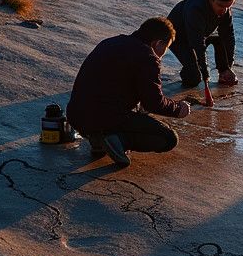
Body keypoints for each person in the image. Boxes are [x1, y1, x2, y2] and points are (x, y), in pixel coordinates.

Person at [67, 17, 192, 166]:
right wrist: (178, 109)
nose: (162, 55)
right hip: (105, 116)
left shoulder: (110, 42)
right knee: (169, 138)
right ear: (157, 43)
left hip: (76, 116)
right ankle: (120, 140)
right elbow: (154, 103)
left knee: (131, 114)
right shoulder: (147, 57)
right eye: (165, 49)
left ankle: (99, 138)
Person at [168, 0, 238, 88]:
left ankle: (224, 72)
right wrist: (205, 72)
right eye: (220, 5)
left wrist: (228, 67)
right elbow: (197, 44)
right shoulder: (195, 9)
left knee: (220, 39)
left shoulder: (224, 10)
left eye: (228, 6)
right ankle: (190, 70)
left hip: (200, 35)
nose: (224, 10)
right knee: (194, 78)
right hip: (178, 38)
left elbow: (228, 37)